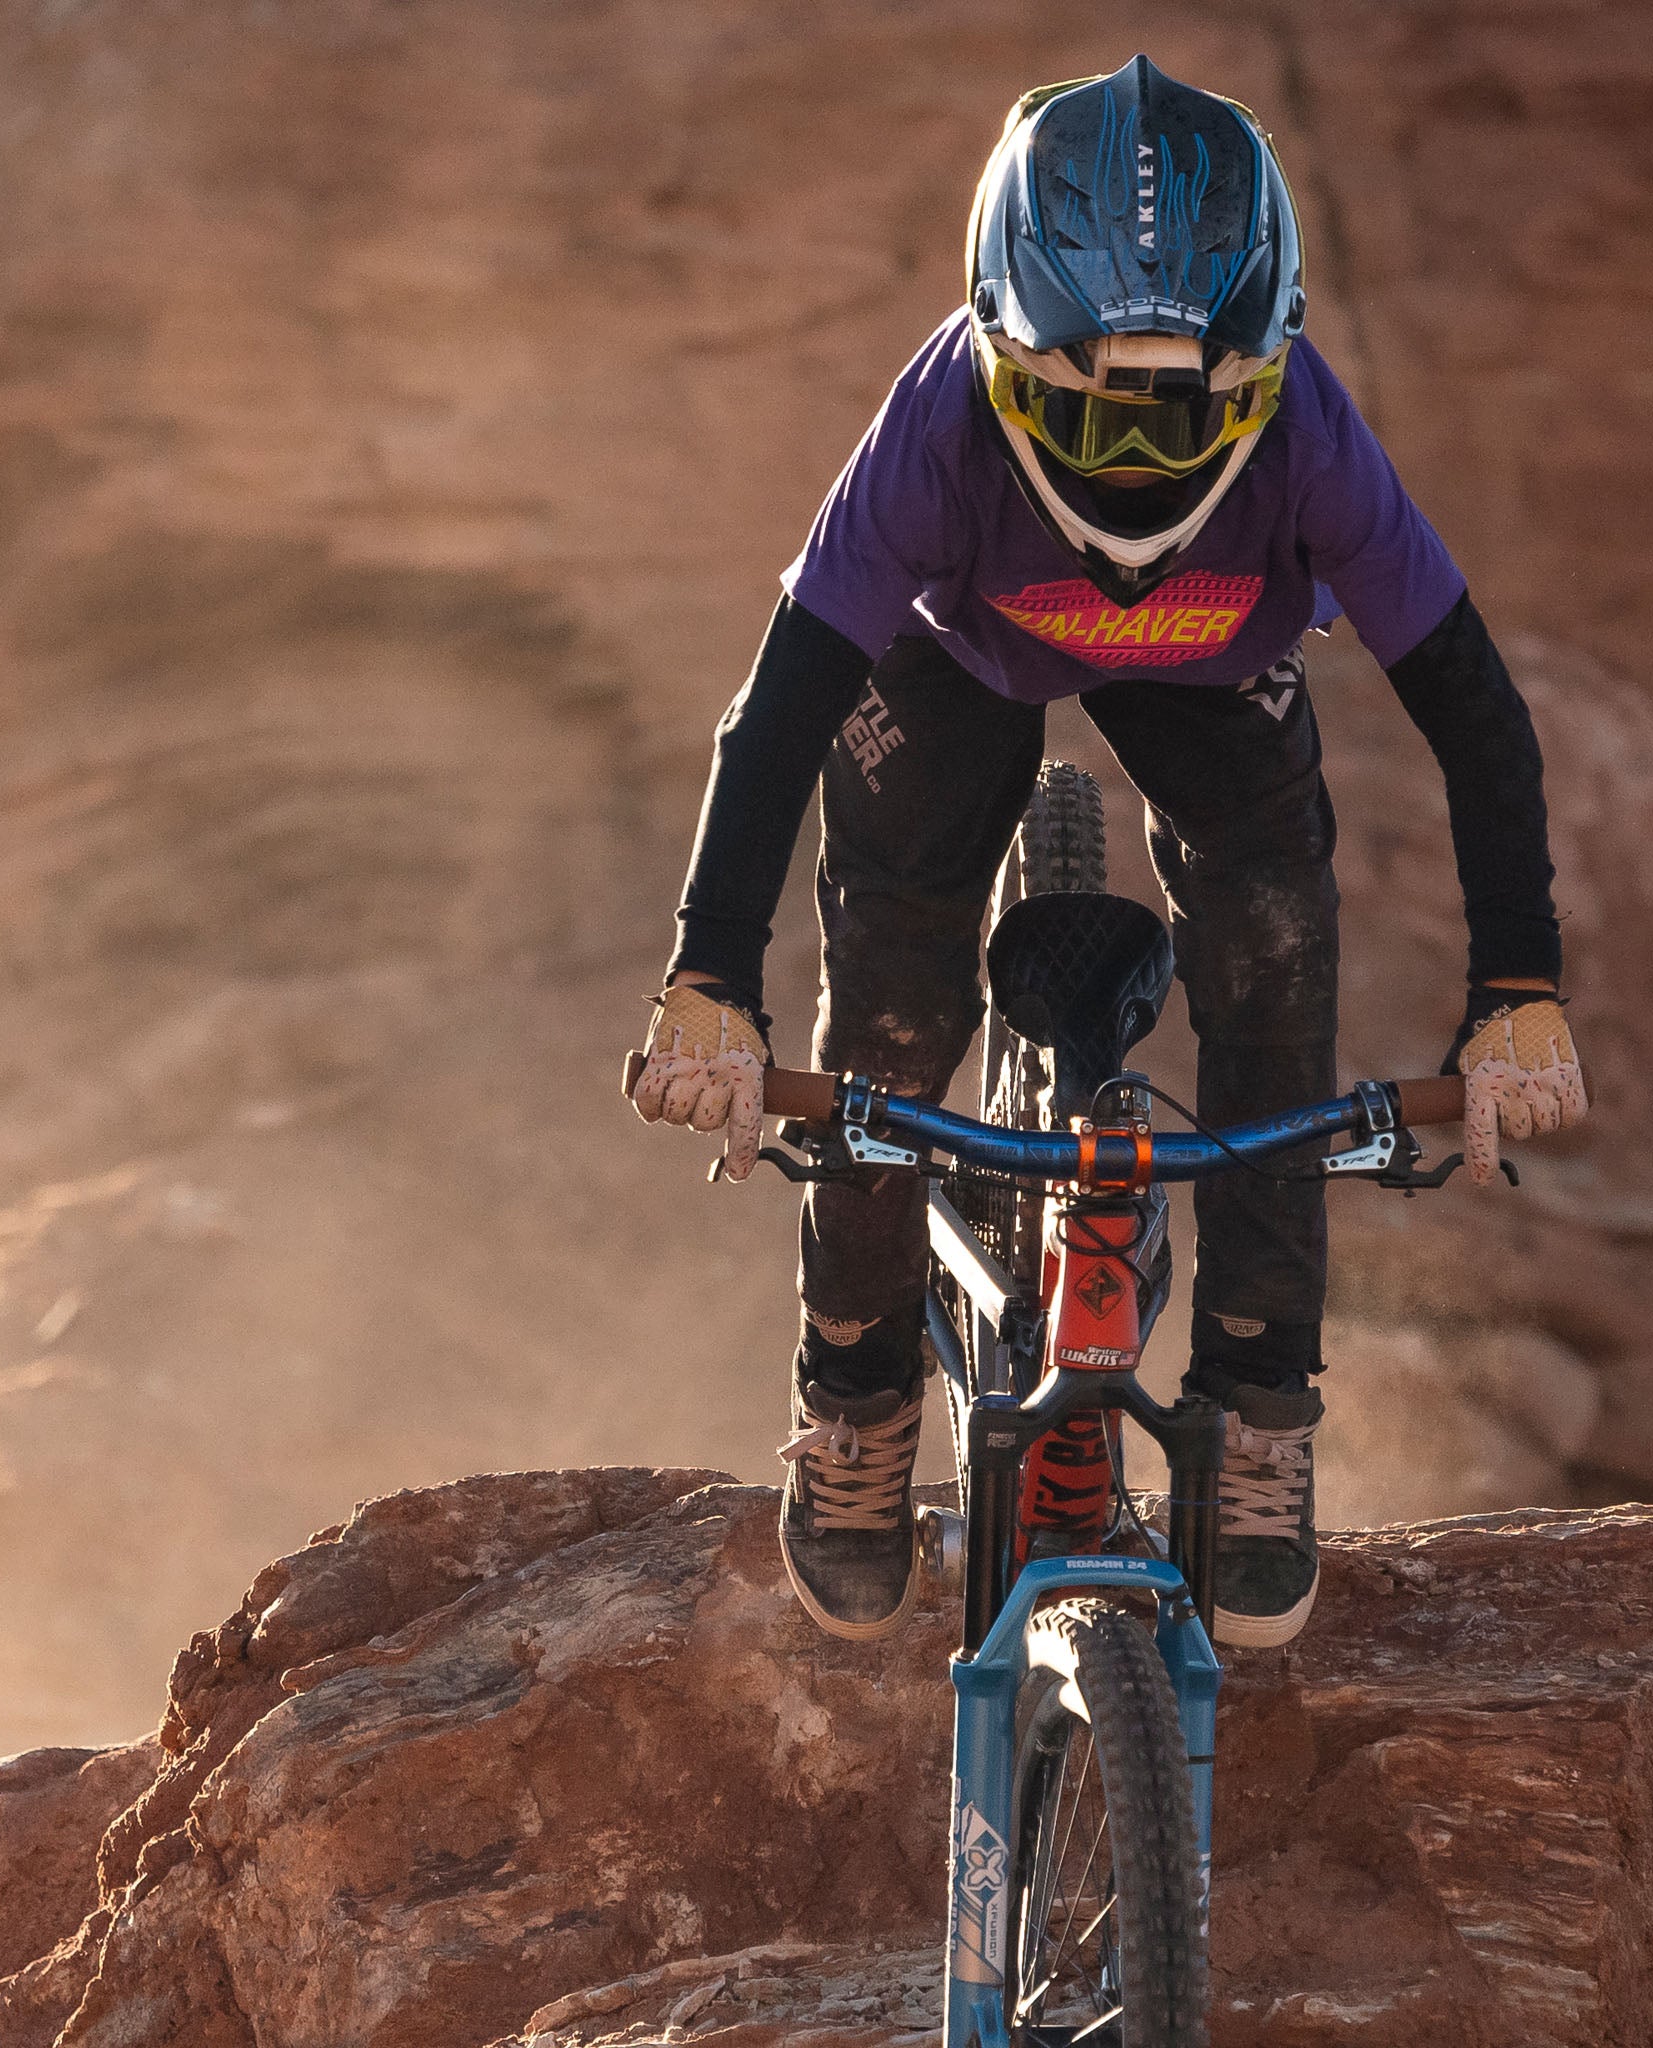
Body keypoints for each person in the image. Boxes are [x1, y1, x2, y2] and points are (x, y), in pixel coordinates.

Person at [629, 56, 1587, 1649]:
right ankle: (857, 1393)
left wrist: (1519, 988)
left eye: (1192, 415)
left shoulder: (1312, 441)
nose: (1140, 465)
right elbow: (779, 714)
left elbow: (1475, 714)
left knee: (1276, 969)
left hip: (1212, 670)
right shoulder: (936, 425)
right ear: (1005, 359)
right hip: (956, 656)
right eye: (1091, 416)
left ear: (1266, 372)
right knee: (889, 1013)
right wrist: (708, 977)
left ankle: (1255, 1408)